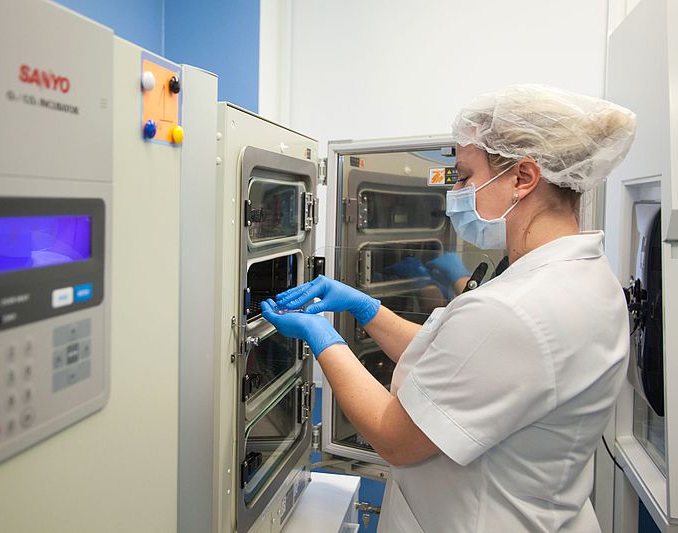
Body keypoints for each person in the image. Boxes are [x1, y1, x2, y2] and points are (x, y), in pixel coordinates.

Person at [261, 84, 637, 532]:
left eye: (462, 176)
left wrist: (324, 338)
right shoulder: (589, 279)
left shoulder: (516, 309)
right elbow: (452, 361)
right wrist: (365, 308)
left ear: (523, 178)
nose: (453, 192)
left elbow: (394, 437)